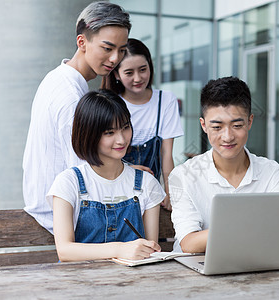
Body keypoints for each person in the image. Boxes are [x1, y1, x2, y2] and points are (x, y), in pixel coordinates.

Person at [169, 76, 279, 270]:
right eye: (217, 127)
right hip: (194, 270)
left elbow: (278, 233)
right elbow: (188, 243)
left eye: (237, 125)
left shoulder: (272, 172)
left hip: (257, 267)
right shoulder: (183, 176)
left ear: (250, 121)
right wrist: (252, 227)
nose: (227, 136)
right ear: (203, 125)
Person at [23, 2, 131, 233]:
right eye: (107, 48)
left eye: (122, 50)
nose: (115, 58)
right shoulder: (71, 97)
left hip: (57, 211)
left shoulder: (58, 78)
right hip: (65, 219)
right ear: (82, 42)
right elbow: (84, 168)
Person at [48, 90, 164, 262]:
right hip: (79, 283)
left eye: (125, 128)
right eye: (109, 133)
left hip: (132, 283)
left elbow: (150, 249)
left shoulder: (147, 183)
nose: (122, 140)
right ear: (89, 135)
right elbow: (65, 251)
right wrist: (119, 249)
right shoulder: (68, 182)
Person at [101, 38, 183, 211]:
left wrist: (170, 193)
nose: (138, 78)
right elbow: (98, 154)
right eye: (129, 72)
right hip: (112, 192)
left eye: (143, 70)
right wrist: (128, 169)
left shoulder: (165, 100)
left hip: (150, 194)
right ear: (116, 74)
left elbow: (167, 154)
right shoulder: (108, 103)